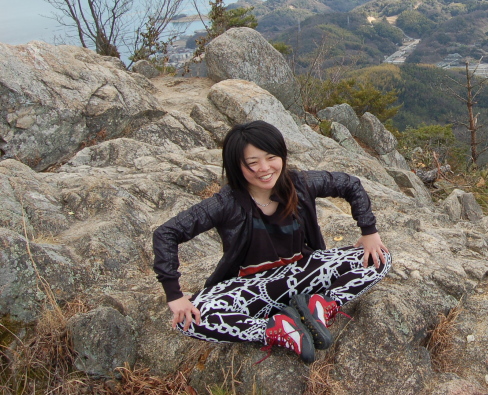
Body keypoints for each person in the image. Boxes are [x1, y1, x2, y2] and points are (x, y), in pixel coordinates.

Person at [152, 120, 391, 363]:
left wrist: (369, 231)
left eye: (271, 157)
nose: (264, 168)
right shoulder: (226, 203)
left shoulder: (300, 184)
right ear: (236, 165)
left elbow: (350, 184)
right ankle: (276, 328)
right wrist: (175, 295)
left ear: (282, 156)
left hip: (304, 275)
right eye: (252, 163)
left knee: (379, 258)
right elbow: (167, 233)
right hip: (251, 289)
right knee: (187, 320)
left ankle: (320, 306)